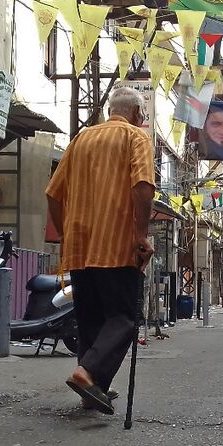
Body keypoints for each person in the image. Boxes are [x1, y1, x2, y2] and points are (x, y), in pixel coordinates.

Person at [45, 86, 156, 414]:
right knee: (122, 317)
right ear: (136, 114)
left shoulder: (81, 139)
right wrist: (140, 234)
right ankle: (87, 372)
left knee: (91, 319)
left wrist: (67, 233)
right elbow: (143, 187)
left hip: (80, 247)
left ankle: (91, 390)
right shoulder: (135, 137)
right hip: (116, 244)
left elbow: (53, 194)